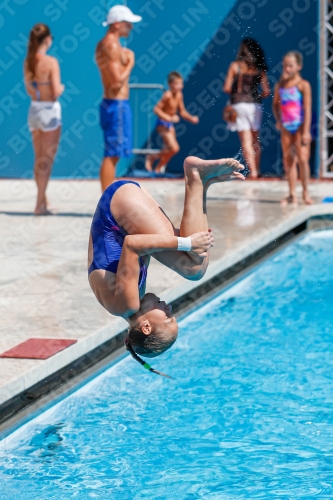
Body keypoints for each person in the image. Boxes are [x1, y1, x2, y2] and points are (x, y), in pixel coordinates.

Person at [88, 156, 244, 376]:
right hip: (123, 207)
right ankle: (203, 183)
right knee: (198, 263)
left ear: (146, 327)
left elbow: (133, 245)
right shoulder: (132, 301)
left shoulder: (126, 304)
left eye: (168, 317)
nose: (169, 308)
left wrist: (187, 242)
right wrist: (189, 242)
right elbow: (146, 243)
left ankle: (196, 176)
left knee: (193, 267)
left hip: (120, 205)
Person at [96, 5, 142, 192]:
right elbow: (116, 82)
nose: (130, 27)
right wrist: (130, 63)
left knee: (113, 153)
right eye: (127, 23)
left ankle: (106, 202)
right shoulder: (112, 45)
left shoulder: (105, 44)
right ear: (116, 24)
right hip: (117, 104)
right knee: (112, 154)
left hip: (113, 104)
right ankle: (106, 204)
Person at [24, 23, 64, 215]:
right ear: (47, 39)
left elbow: (29, 89)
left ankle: (43, 200)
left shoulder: (28, 61)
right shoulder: (51, 62)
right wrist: (61, 88)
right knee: (46, 161)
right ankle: (39, 204)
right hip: (49, 112)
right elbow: (56, 91)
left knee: (38, 159)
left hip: (34, 110)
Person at [223, 38, 270, 178]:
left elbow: (226, 87)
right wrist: (256, 96)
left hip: (240, 105)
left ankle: (253, 171)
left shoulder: (235, 66)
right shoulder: (259, 68)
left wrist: (237, 94)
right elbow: (267, 91)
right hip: (256, 105)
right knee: (256, 140)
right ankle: (258, 169)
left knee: (246, 141)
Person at [272, 51, 313, 205]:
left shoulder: (303, 85)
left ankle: (305, 193)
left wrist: (307, 131)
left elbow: (307, 109)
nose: (286, 68)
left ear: (298, 66)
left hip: (301, 126)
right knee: (289, 161)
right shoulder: (280, 85)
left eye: (290, 65)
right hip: (286, 127)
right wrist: (278, 119)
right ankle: (291, 194)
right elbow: (275, 104)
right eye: (285, 65)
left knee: (303, 159)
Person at [145, 71, 199, 174]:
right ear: (170, 84)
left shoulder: (179, 95)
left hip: (169, 125)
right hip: (162, 124)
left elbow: (182, 111)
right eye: (177, 83)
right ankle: (152, 158)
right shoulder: (167, 95)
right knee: (174, 148)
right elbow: (156, 109)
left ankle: (157, 168)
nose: (180, 86)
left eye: (181, 83)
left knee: (171, 150)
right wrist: (169, 117)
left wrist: (191, 118)